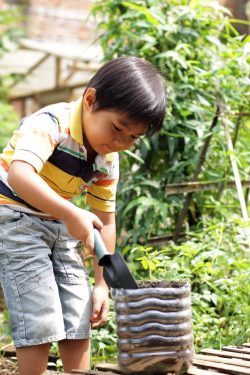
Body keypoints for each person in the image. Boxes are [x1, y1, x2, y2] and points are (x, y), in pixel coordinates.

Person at [0, 56, 166, 375]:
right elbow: (20, 175)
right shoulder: (49, 123)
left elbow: (105, 220)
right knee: (40, 314)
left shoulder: (108, 158)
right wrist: (70, 212)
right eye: (117, 128)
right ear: (90, 100)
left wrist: (101, 284)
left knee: (80, 310)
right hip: (15, 216)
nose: (120, 142)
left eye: (132, 138)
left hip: (60, 222)